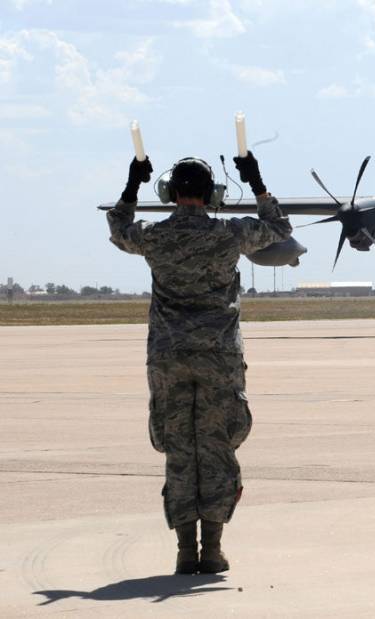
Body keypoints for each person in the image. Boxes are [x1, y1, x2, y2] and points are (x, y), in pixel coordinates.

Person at [108, 151, 291, 574]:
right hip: (217, 357)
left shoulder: (153, 236)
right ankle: (212, 549)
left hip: (169, 358)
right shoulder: (229, 234)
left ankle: (184, 552)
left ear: (171, 194)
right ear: (211, 196)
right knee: (216, 447)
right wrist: (258, 183)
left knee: (178, 448)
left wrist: (132, 184)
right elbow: (279, 228)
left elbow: (118, 229)